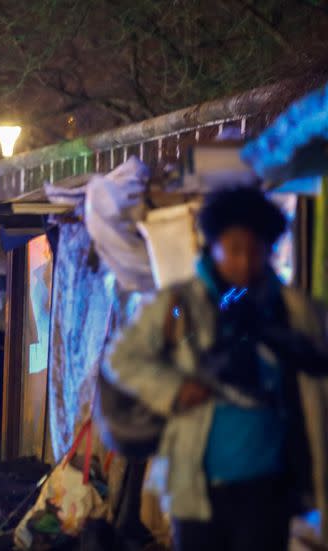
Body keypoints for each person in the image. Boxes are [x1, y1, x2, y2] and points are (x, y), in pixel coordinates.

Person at [107, 187, 328, 551]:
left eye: (255, 250)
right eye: (235, 249)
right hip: (196, 487)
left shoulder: (292, 309)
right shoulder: (180, 304)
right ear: (214, 246)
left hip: (270, 487)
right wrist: (174, 390)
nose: (245, 261)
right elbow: (121, 360)